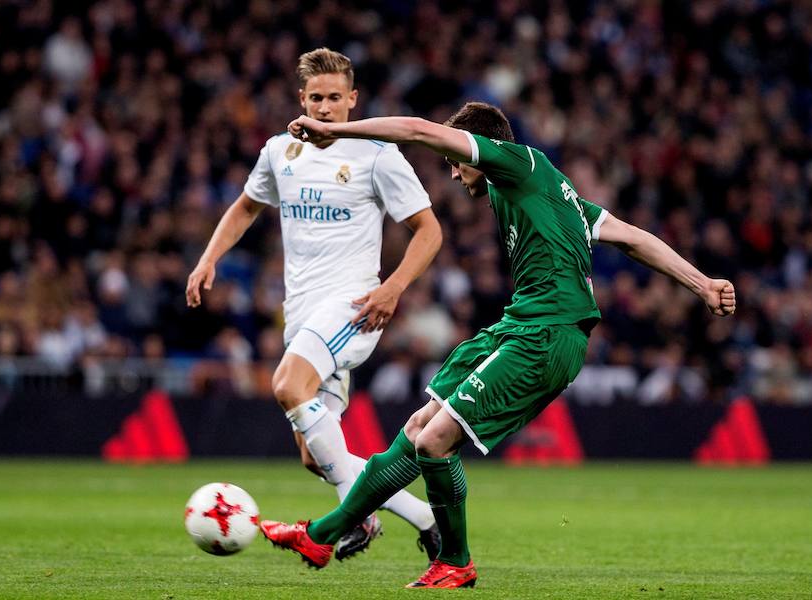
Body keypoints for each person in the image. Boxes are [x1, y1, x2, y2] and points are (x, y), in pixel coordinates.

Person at [260, 102, 737, 588]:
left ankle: (456, 561)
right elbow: (632, 238)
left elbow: (417, 129)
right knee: (417, 429)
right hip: (520, 325)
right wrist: (701, 284)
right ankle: (321, 536)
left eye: (455, 160)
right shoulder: (556, 193)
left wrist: (333, 130)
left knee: (435, 441)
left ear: (480, 149)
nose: (452, 172)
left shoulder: (517, 161)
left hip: (548, 334)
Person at [185, 48, 443, 561]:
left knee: (286, 385)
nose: (325, 108)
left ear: (353, 100)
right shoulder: (280, 152)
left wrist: (392, 288)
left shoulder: (377, 154)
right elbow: (245, 207)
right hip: (303, 317)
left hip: (354, 306)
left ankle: (355, 518)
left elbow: (429, 231)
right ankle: (425, 518)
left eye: (335, 98)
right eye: (316, 98)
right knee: (313, 455)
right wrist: (208, 258)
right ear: (302, 99)